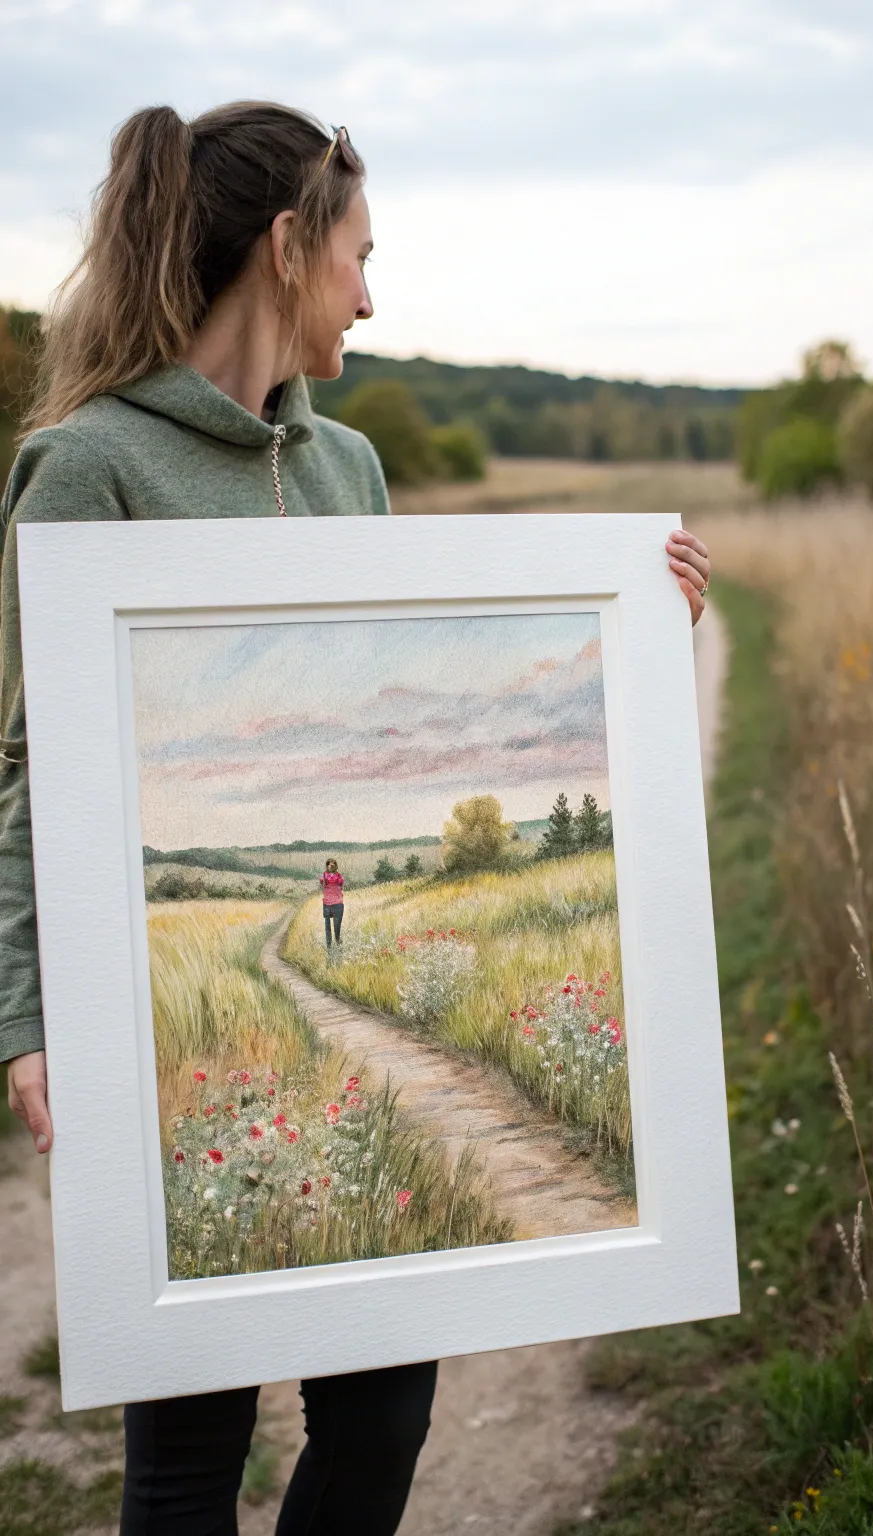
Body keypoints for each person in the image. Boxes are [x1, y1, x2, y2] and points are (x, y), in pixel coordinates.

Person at [0, 102, 713, 1535]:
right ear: (285, 248)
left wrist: (638, 619)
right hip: (151, 1050)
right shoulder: (90, 469)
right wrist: (26, 1020)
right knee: (192, 1454)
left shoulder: (351, 468)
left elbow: (435, 667)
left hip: (307, 1083)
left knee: (382, 1421)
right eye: (360, 256)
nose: (374, 296)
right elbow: (32, 778)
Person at [320, 857, 345, 948]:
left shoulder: (339, 875)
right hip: (327, 903)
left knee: (337, 926)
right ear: (327, 865)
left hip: (337, 903)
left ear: (336, 866)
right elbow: (322, 884)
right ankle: (329, 946)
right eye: (330, 865)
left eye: (334, 865)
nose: (332, 866)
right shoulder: (324, 875)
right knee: (327, 926)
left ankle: (338, 943)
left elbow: (341, 885)